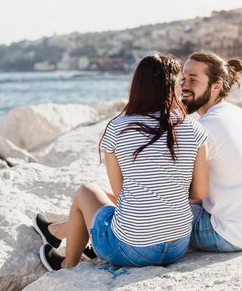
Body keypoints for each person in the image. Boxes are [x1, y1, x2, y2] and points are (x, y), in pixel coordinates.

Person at [32, 53, 209, 271]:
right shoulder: (194, 128)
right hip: (177, 247)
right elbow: (200, 193)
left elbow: (121, 192)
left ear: (138, 87)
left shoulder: (118, 128)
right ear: (173, 87)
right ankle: (57, 231)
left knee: (86, 192)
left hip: (130, 250)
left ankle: (67, 264)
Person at [181, 51, 242, 252]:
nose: (184, 85)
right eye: (183, 78)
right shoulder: (236, 113)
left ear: (216, 86)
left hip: (228, 234)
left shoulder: (205, 128)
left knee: (154, 214)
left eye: (193, 79)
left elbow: (189, 193)